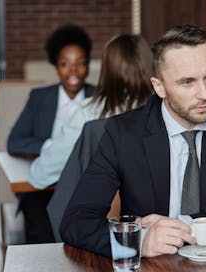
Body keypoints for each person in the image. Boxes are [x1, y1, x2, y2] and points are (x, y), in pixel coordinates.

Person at [60, 24, 206, 257]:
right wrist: (139, 240)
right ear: (159, 87)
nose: (205, 95)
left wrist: (188, 226)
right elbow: (76, 222)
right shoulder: (123, 132)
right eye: (187, 82)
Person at [45, 34, 155, 241]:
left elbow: (41, 174)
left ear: (106, 71)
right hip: (160, 226)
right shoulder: (165, 114)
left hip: (102, 232)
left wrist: (48, 146)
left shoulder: (88, 113)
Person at [7, 24, 94, 243]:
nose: (73, 71)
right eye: (65, 64)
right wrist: (50, 148)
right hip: (42, 185)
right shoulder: (39, 97)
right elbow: (14, 141)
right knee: (41, 233)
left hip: (86, 185)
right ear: (56, 66)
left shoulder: (100, 96)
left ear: (88, 66)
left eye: (80, 64)